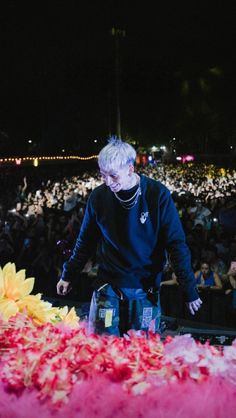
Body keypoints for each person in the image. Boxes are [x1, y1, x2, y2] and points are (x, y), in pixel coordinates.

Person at [56, 137, 202, 336]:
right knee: (103, 348)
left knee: (141, 352)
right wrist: (69, 274)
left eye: (113, 176)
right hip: (108, 284)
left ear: (130, 170)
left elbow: (176, 244)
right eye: (103, 175)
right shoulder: (98, 197)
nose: (108, 182)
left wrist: (189, 289)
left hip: (145, 288)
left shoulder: (157, 194)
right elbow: (85, 241)